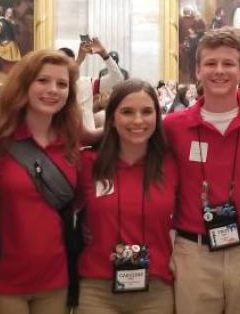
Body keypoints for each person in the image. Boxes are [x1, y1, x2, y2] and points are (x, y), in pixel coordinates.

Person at [163, 29, 240, 314]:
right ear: (197, 71)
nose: (219, 71)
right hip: (194, 254)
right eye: (211, 63)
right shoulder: (173, 127)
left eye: (228, 64)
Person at [0, 49, 82, 314]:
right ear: (24, 85)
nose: (53, 90)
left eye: (62, 84)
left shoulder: (70, 144)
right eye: (43, 81)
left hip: (55, 278)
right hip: (3, 279)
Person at [76, 79, 178, 314]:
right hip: (98, 289)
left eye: (146, 111)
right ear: (111, 118)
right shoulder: (88, 164)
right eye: (127, 112)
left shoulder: (171, 165)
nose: (138, 120)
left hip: (155, 288)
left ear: (157, 116)